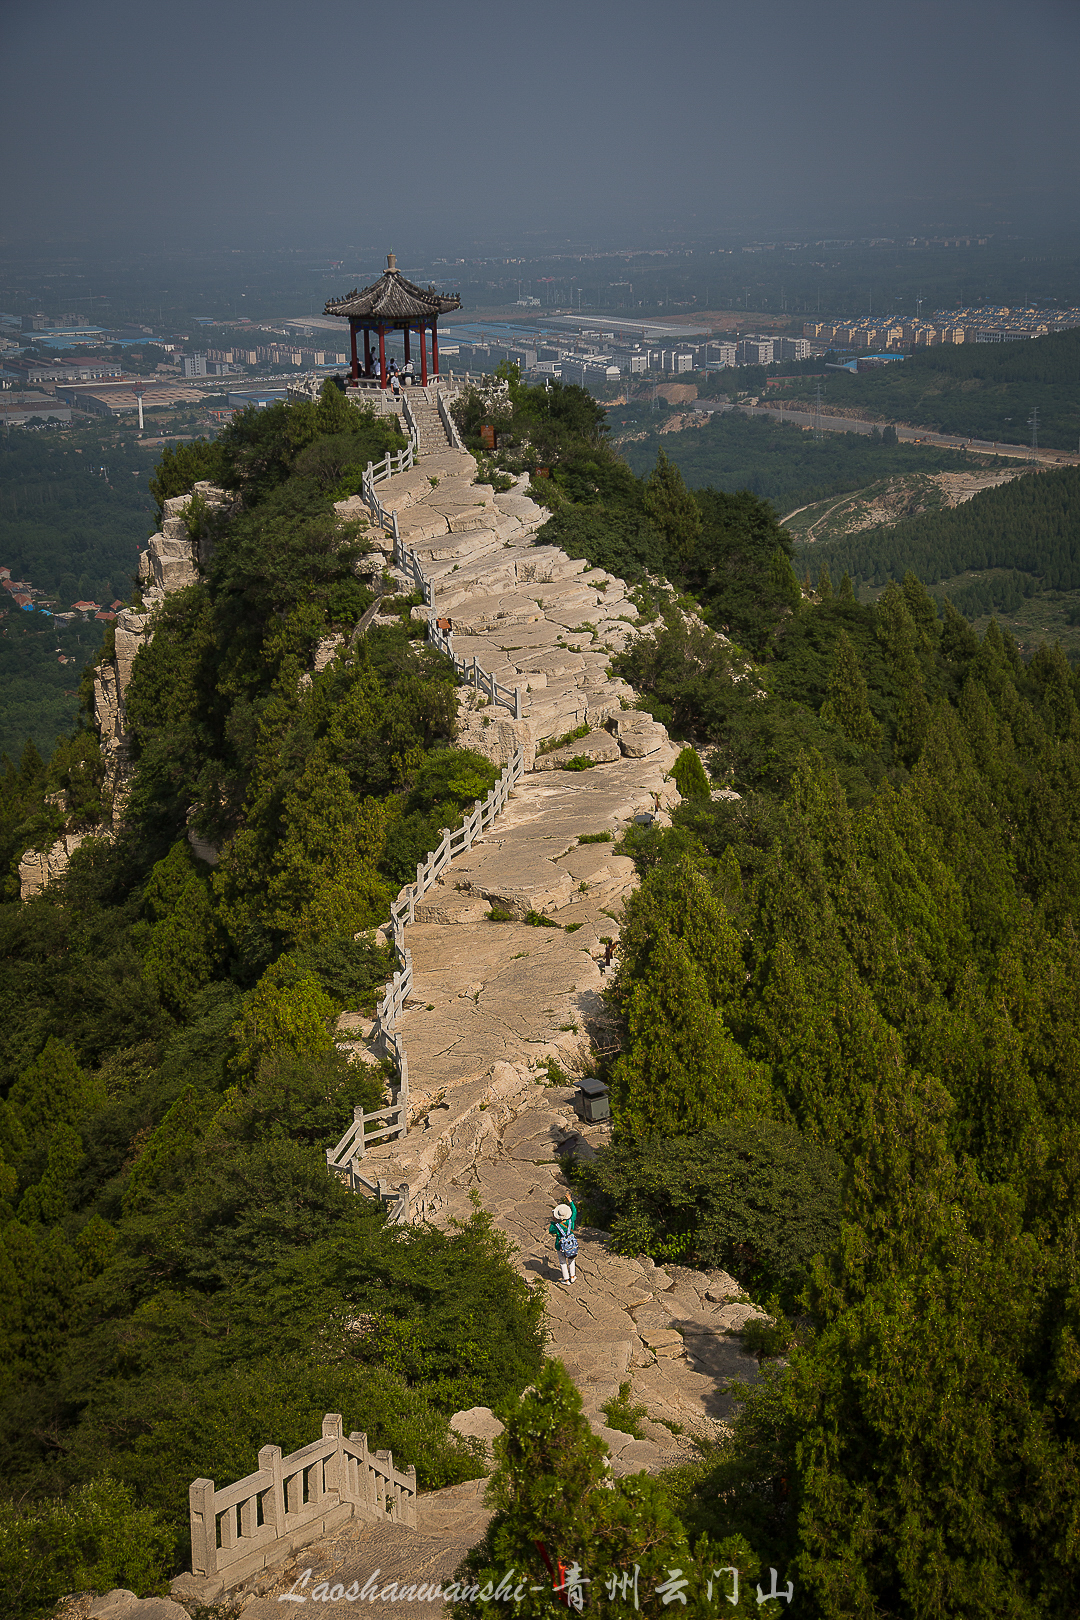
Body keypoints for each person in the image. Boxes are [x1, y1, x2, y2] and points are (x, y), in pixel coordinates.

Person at [549, 1200, 578, 1285]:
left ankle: (566, 1280)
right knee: (571, 1260)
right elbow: (574, 1211)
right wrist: (571, 1201)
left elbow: (551, 1231)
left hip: (560, 1246)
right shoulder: (570, 1221)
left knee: (563, 1262)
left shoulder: (556, 1226)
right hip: (571, 1244)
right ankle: (572, 1276)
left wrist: (553, 1222)